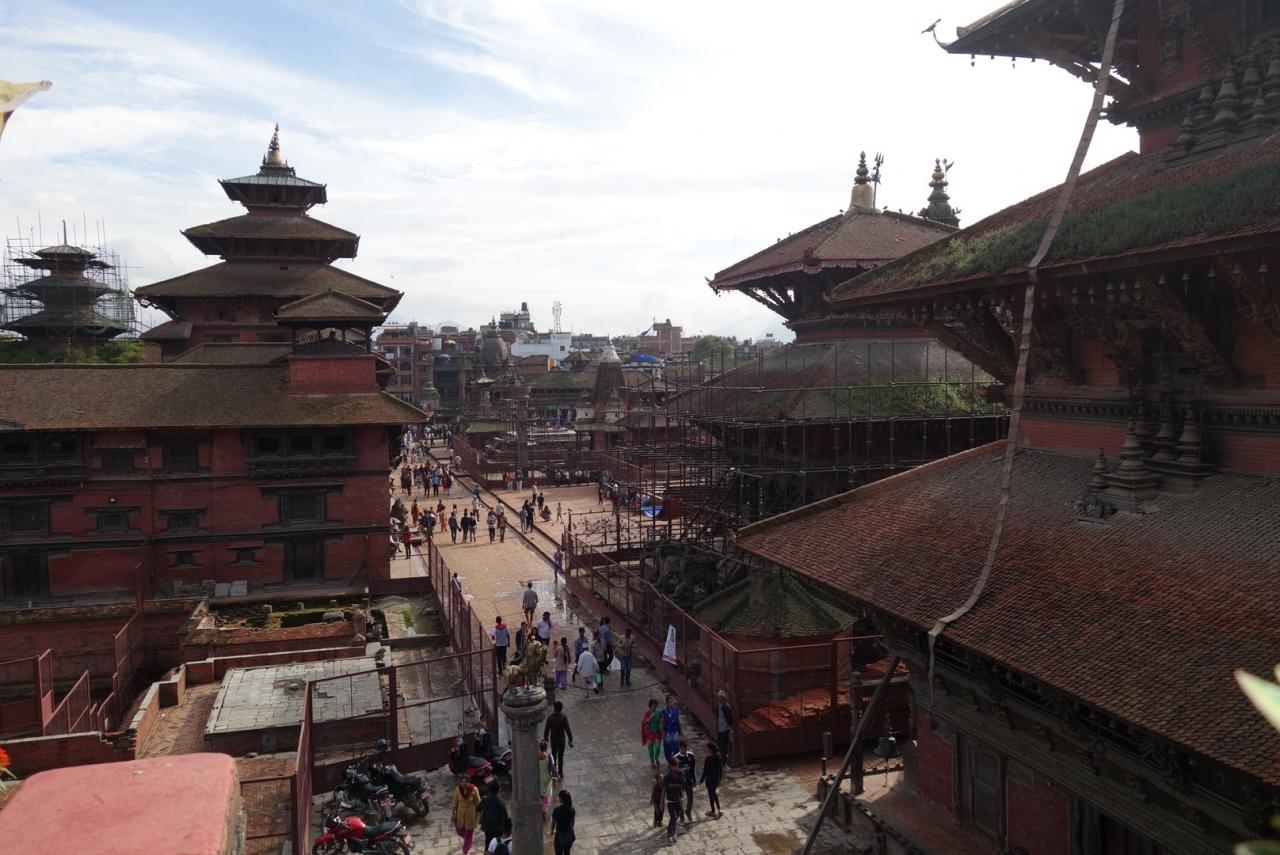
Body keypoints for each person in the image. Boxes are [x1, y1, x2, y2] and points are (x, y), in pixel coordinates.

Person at [451, 778, 481, 854]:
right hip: (460, 814)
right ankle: (468, 839)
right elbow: (454, 802)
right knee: (460, 830)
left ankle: (465, 850)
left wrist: (479, 815)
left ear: (469, 782)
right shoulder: (458, 789)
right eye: (462, 782)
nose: (464, 784)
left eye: (466, 782)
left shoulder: (474, 789)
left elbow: (478, 803)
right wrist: (453, 813)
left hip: (470, 814)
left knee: (469, 832)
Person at [543, 700, 573, 776]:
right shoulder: (563, 718)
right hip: (561, 740)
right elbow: (567, 729)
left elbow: (546, 730)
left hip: (553, 740)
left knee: (553, 755)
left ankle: (554, 771)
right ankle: (560, 772)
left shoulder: (550, 718)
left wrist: (545, 739)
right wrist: (570, 739)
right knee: (560, 757)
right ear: (561, 709)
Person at [478, 782, 507, 849]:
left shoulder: (485, 799)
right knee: (498, 846)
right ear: (499, 790)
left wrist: (480, 820)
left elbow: (478, 809)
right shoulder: (501, 802)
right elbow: (505, 817)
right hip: (498, 829)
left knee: (488, 844)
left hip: (487, 827)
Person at [663, 760, 685, 844]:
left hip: (679, 798)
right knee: (673, 817)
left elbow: (683, 784)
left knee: (677, 816)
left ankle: (674, 832)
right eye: (675, 766)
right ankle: (669, 834)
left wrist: (673, 785)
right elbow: (665, 788)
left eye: (677, 766)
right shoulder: (667, 776)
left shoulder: (681, 773)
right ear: (671, 766)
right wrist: (662, 801)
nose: (676, 767)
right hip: (671, 800)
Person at [701, 740, 723, 819]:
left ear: (710, 749)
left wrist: (701, 780)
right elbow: (721, 769)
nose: (705, 749)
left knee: (711, 795)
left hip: (710, 780)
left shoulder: (708, 759)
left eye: (706, 748)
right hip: (716, 779)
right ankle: (719, 810)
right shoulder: (718, 756)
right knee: (714, 794)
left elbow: (705, 771)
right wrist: (720, 777)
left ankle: (713, 811)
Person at [675, 741, 696, 821]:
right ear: (679, 748)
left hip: (689, 781)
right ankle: (681, 816)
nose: (684, 751)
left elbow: (693, 768)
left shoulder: (691, 755)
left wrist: (694, 779)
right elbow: (674, 771)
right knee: (680, 800)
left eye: (685, 749)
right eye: (682, 749)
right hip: (680, 783)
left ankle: (688, 812)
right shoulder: (676, 757)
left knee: (690, 799)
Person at [550, 790, 575, 855]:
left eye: (559, 797)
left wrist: (552, 832)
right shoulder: (572, 810)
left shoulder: (557, 810)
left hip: (559, 835)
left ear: (561, 799)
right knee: (567, 852)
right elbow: (572, 823)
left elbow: (553, 823)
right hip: (568, 835)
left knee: (558, 852)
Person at [661, 695, 683, 762]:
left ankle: (675, 761)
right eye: (670, 702)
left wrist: (681, 729)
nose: (672, 703)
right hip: (667, 732)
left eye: (672, 702)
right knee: (667, 748)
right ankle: (669, 761)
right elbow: (663, 722)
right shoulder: (664, 711)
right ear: (667, 703)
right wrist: (662, 732)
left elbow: (678, 720)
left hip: (675, 731)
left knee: (676, 746)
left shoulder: (676, 710)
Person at [642, 698, 662, 769]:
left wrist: (660, 723)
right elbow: (644, 722)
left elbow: (661, 719)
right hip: (649, 733)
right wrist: (649, 718)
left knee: (658, 747)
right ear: (650, 706)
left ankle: (656, 758)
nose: (654, 708)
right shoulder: (647, 713)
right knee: (650, 748)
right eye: (653, 706)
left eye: (655, 706)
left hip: (657, 732)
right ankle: (652, 762)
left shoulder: (658, 712)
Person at [538, 740, 555, 821]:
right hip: (547, 777)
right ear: (546, 748)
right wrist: (557, 774)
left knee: (541, 794)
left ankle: (541, 808)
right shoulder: (549, 755)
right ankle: (544, 811)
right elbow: (552, 767)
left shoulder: (536, 756)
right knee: (547, 795)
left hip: (539, 777)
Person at [716, 689, 734, 763]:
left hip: (725, 728)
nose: (719, 698)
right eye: (719, 697)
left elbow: (730, 718)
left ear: (724, 698)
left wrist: (729, 725)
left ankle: (723, 761)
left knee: (724, 745)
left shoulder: (726, 707)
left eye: (721, 697)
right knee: (720, 744)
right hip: (720, 728)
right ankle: (722, 759)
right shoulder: (718, 706)